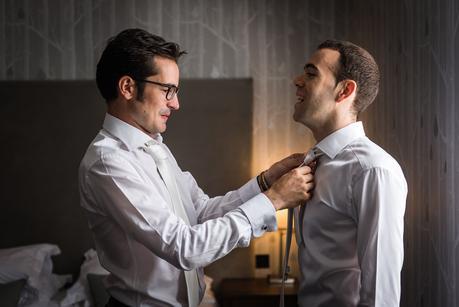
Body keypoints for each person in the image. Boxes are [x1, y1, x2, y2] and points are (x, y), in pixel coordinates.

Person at [78, 28, 315, 307]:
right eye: (168, 90)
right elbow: (183, 247)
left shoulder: (156, 148)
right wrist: (274, 200)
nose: (176, 104)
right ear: (128, 87)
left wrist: (266, 181)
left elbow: (201, 213)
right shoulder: (108, 163)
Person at [292, 40, 407, 307]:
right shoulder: (312, 162)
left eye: (311, 73)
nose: (297, 81)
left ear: (344, 90)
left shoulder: (373, 170)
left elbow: (381, 294)